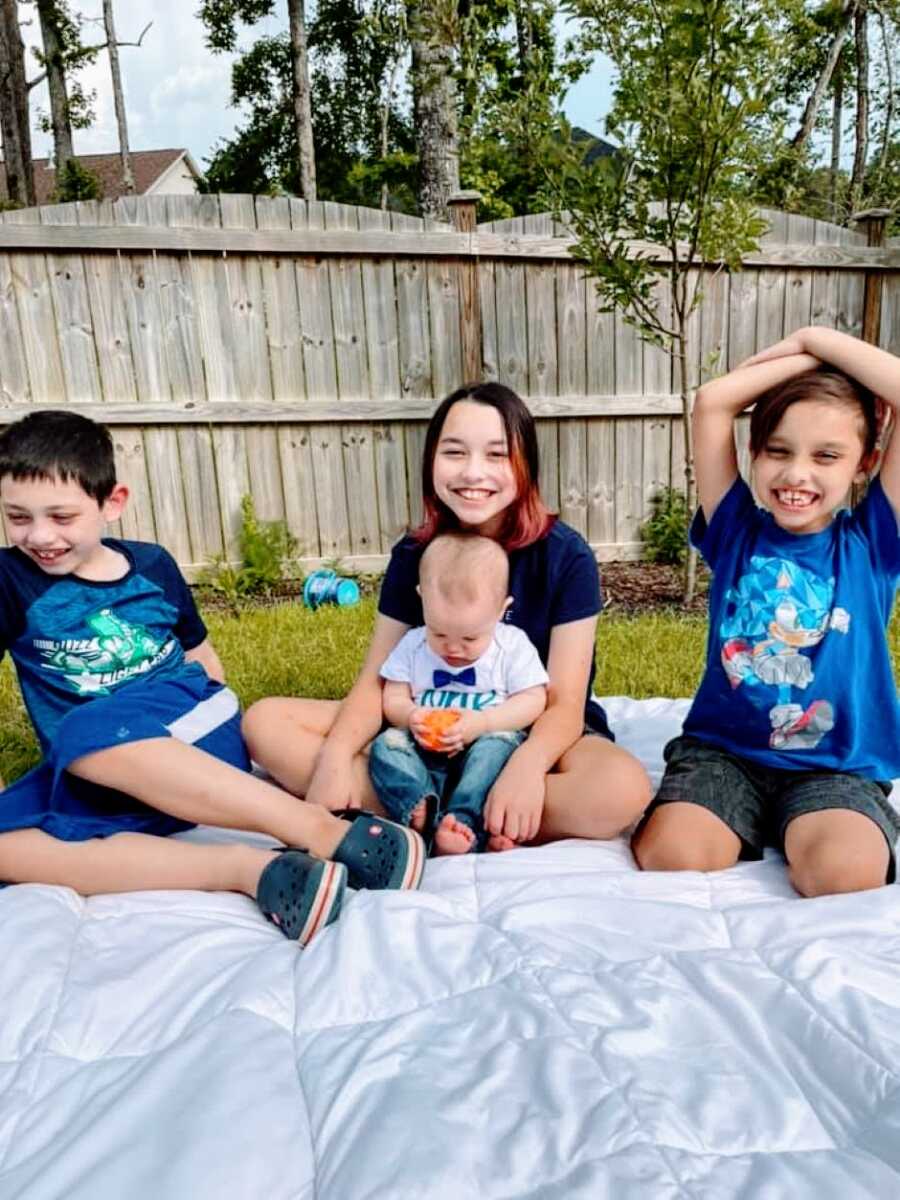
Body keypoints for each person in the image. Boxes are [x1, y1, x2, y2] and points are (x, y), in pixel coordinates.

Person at [0, 410, 425, 946]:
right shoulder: (8, 579)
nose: (39, 535)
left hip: (192, 734)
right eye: (18, 517)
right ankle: (251, 871)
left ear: (112, 502)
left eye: (61, 517)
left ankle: (321, 829)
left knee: (83, 727)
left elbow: (206, 667)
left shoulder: (151, 566)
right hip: (96, 778)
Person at [244, 382, 652, 850]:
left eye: (497, 455)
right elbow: (377, 682)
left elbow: (564, 702)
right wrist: (336, 756)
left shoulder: (565, 557)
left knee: (620, 790)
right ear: (431, 461)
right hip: (422, 723)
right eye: (455, 453)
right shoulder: (415, 554)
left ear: (526, 464)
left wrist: (526, 768)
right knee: (264, 723)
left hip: (528, 727)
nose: (473, 472)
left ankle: (434, 810)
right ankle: (463, 815)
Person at [632, 326, 900, 897]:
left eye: (826, 456)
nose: (796, 474)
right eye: (777, 450)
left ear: (864, 463)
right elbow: (713, 401)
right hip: (726, 757)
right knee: (670, 855)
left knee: (843, 875)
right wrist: (799, 357)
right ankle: (753, 820)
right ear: (752, 452)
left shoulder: (874, 541)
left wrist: (816, 338)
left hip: (837, 765)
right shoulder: (734, 529)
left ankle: (806, 825)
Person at [369, 533, 548, 855]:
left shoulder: (511, 645)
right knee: (387, 745)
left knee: (496, 750)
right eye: (439, 633)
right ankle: (417, 806)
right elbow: (393, 696)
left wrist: (484, 723)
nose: (452, 649)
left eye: (469, 638)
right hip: (425, 749)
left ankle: (462, 820)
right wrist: (411, 716)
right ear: (422, 599)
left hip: (484, 744)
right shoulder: (413, 644)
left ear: (501, 610)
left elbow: (534, 699)